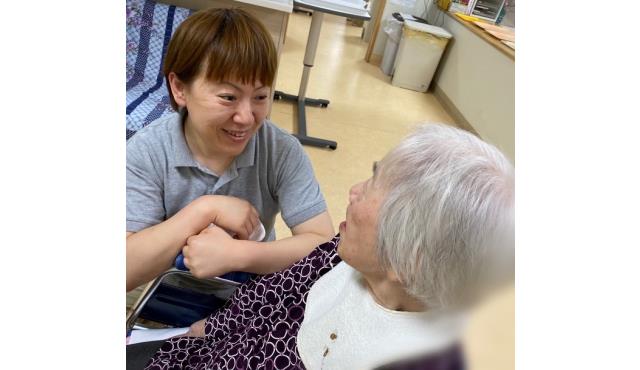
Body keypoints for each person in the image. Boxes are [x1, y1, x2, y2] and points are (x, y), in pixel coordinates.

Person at [127, 123, 515, 370]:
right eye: (372, 174)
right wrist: (202, 331)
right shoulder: (340, 254)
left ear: (408, 259)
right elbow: (267, 298)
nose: (353, 191)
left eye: (374, 189)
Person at [126, 8, 335, 292]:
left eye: (261, 96)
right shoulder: (148, 150)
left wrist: (238, 255)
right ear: (179, 88)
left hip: (248, 304)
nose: (247, 117)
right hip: (164, 300)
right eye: (228, 97)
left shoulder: (280, 150)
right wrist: (204, 210)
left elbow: (322, 246)